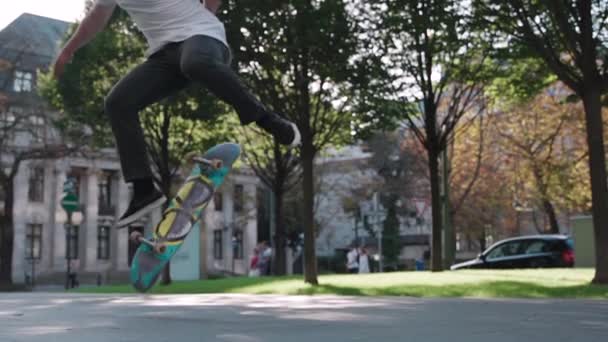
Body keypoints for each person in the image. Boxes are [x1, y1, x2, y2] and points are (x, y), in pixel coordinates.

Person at [53, 0, 301, 227]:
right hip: (164, 55)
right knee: (118, 102)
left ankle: (270, 121)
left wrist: (208, 11)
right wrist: (68, 50)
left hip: (202, 37)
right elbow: (98, 15)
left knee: (195, 63)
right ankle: (143, 189)